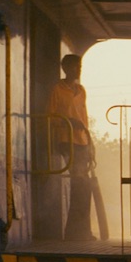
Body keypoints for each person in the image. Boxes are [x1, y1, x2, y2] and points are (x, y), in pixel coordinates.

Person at [47, 54, 96, 241]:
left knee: (84, 186)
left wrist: (90, 143)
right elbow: (50, 116)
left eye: (80, 66)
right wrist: (69, 122)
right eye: (76, 66)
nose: (79, 69)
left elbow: (84, 117)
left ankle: (82, 231)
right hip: (66, 140)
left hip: (82, 141)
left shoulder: (81, 91)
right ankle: (75, 232)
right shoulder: (57, 90)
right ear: (66, 68)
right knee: (80, 183)